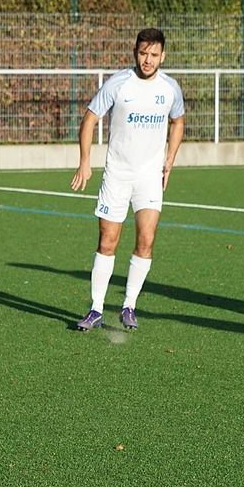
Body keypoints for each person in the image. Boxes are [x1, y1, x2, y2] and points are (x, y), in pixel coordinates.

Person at [70, 27, 185, 331]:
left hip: (149, 177)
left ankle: (129, 305)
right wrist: (85, 162)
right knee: (107, 242)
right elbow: (89, 119)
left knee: (146, 240)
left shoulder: (170, 88)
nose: (148, 60)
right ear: (135, 52)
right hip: (117, 176)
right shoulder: (118, 84)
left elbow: (178, 121)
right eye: (143, 53)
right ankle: (96, 309)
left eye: (154, 55)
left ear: (163, 56)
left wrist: (170, 158)